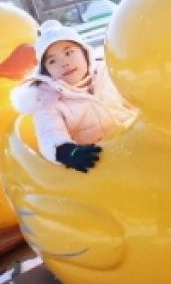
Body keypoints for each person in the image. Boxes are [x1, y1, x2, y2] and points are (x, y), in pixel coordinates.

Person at [11, 20, 137, 172]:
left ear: (85, 53)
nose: (64, 63)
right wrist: (65, 150)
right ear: (46, 72)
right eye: (52, 61)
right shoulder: (49, 101)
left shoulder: (110, 75)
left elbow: (139, 102)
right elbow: (49, 133)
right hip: (97, 163)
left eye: (68, 52)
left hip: (135, 146)